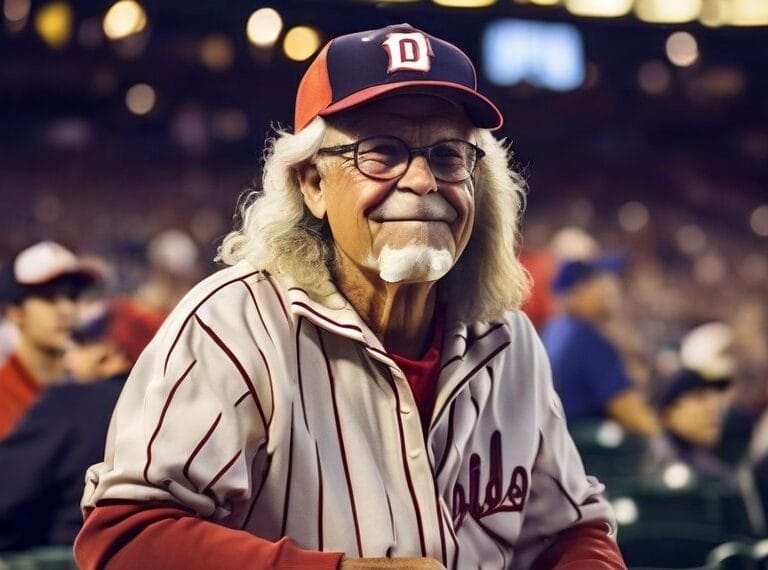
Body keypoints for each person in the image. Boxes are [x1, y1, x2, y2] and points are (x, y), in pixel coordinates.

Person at [74, 24, 625, 569]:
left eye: (448, 156)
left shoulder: (509, 339)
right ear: (313, 184)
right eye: (381, 152)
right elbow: (125, 540)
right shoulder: (230, 325)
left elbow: (572, 530)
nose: (423, 181)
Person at [0, 298, 163, 552]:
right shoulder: (169, 412)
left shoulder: (74, 400)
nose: (68, 357)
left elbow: (6, 495)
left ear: (111, 354)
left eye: (82, 345)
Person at [542, 258, 660, 436]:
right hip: (586, 453)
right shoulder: (585, 338)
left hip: (557, 442)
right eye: (598, 282)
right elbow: (632, 414)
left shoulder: (554, 329)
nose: (610, 288)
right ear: (576, 292)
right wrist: (664, 440)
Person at [0, 240, 100, 438]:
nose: (67, 310)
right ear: (15, 312)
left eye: (72, 297)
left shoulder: (92, 390)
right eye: (49, 298)